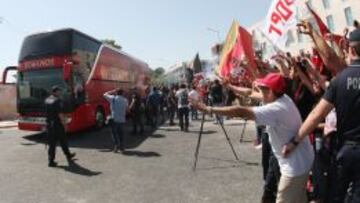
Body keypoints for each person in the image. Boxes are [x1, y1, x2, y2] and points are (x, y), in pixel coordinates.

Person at [191, 73, 314, 203]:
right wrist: (230, 86)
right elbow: (249, 93)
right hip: (303, 160)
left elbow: (240, 111)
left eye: (263, 88)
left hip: (295, 167)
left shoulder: (276, 108)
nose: (260, 90)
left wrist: (209, 109)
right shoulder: (283, 98)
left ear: (271, 92)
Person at [283, 29, 360, 203]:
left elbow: (317, 114)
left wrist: (295, 141)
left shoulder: (339, 81)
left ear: (352, 51)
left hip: (346, 151)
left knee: (336, 196)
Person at [45, 86, 75, 167]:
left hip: (49, 125)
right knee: (63, 141)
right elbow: (60, 114)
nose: (60, 93)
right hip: (57, 125)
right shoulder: (57, 101)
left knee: (52, 144)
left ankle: (51, 161)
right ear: (55, 92)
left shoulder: (47, 100)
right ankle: (68, 155)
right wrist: (65, 124)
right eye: (58, 91)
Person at [104, 88, 128, 152]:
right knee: (121, 135)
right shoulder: (125, 100)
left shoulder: (113, 98)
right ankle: (122, 148)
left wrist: (112, 91)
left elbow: (104, 94)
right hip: (122, 120)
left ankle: (116, 146)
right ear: (122, 93)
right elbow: (126, 109)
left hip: (114, 120)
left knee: (114, 134)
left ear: (116, 93)